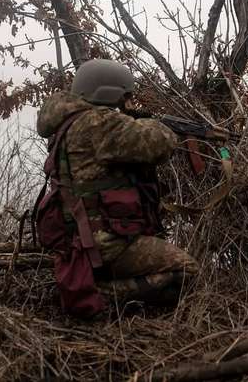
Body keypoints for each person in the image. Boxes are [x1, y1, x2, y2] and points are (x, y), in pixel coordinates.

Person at [35, 59, 199, 317]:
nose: (126, 102)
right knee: (187, 270)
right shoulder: (97, 123)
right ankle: (99, 296)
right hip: (106, 246)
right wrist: (157, 124)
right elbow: (160, 142)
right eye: (125, 96)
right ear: (109, 92)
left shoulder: (67, 124)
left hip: (80, 240)